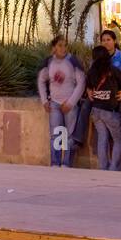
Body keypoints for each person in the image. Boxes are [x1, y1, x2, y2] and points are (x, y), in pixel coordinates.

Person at [37, 33, 85, 167]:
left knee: (69, 135)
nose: (63, 48)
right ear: (53, 48)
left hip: (70, 104)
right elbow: (41, 80)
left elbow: (81, 82)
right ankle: (55, 163)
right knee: (56, 135)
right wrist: (44, 101)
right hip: (55, 104)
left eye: (65, 46)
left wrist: (71, 102)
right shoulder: (49, 62)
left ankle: (66, 163)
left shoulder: (73, 61)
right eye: (60, 45)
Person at [85, 44, 121, 171]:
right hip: (110, 111)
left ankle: (103, 168)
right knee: (118, 140)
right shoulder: (114, 71)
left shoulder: (91, 72)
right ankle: (114, 167)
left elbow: (88, 87)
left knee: (102, 138)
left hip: (96, 111)